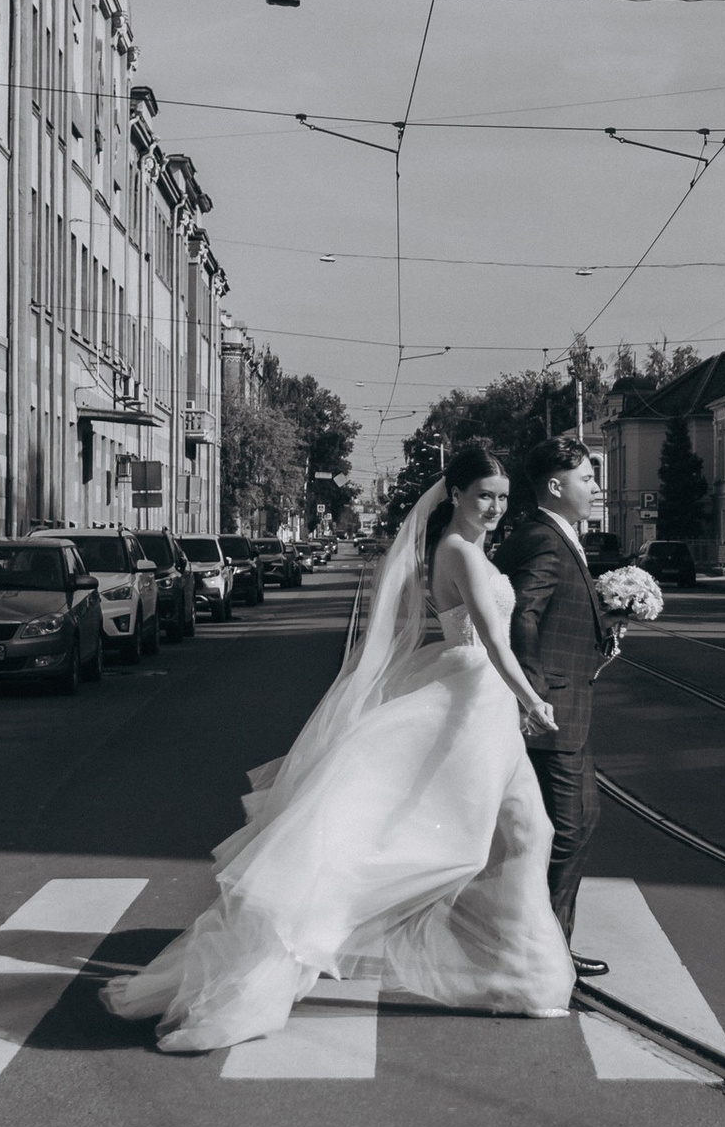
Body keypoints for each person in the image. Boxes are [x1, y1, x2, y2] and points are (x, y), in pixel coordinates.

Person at [102, 441, 576, 1052]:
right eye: (484, 495)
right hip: (474, 699)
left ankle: (523, 973)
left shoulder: (475, 548)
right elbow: (492, 637)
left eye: (503, 498)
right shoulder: (457, 550)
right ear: (455, 495)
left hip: (483, 702)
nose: (494, 507)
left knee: (528, 831)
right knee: (450, 838)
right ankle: (515, 974)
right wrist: (532, 699)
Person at [500, 432, 619, 969]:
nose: (596, 487)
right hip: (553, 711)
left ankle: (551, 946)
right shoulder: (545, 538)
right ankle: (544, 956)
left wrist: (602, 636)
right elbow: (522, 613)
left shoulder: (561, 534)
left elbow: (550, 615)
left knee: (582, 821)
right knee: (565, 832)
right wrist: (534, 695)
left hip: (570, 704)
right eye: (587, 478)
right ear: (555, 485)